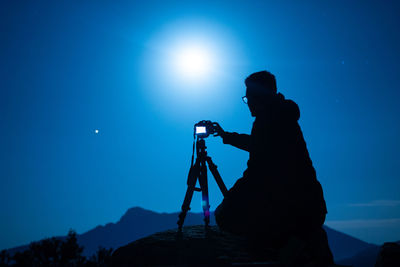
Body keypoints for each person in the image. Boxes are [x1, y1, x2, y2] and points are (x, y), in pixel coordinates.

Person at [213, 71, 334, 265]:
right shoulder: (280, 115)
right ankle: (299, 241)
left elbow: (256, 170)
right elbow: (260, 144)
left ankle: (289, 246)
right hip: (311, 205)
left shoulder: (267, 119)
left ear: (260, 96)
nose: (248, 103)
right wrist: (226, 136)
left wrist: (231, 201)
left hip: (297, 207)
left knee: (226, 217)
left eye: (249, 97)